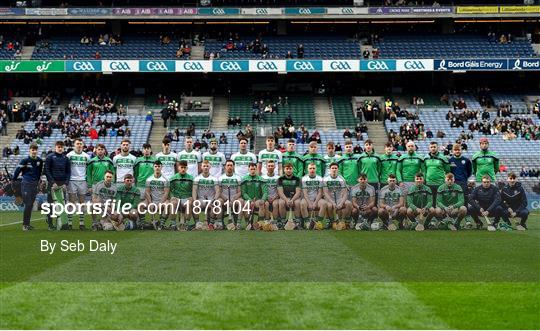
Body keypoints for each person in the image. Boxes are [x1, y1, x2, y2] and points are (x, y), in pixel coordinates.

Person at [13, 143, 44, 231]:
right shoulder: (25, 160)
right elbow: (17, 171)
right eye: (32, 150)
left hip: (34, 184)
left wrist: (38, 182)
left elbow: (39, 172)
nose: (34, 151)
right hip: (26, 184)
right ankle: (24, 225)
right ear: (29, 150)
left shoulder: (40, 160)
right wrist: (13, 180)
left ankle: (27, 224)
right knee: (28, 203)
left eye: (35, 150)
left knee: (30, 205)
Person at [44, 141, 71, 230]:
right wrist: (52, 182)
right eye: (58, 147)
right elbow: (47, 170)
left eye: (61, 147)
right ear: (55, 147)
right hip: (52, 184)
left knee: (62, 204)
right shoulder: (50, 157)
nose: (60, 149)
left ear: (63, 148)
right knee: (51, 204)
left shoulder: (66, 158)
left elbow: (68, 172)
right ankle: (50, 223)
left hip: (62, 184)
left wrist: (65, 184)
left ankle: (62, 223)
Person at [65, 138, 91, 230]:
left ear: (83, 145)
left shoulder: (86, 156)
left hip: (82, 181)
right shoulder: (69, 155)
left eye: (81, 144)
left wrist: (88, 182)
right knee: (71, 202)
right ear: (74, 145)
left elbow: (88, 169)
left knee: (82, 202)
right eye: (77, 144)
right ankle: (69, 223)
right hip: (72, 180)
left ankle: (81, 223)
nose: (79, 145)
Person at [141, 160, 170, 230]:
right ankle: (143, 224)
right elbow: (147, 192)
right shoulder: (149, 179)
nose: (157, 168)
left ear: (161, 167)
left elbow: (166, 193)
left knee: (168, 205)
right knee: (140, 206)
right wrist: (150, 203)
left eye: (159, 166)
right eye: (155, 166)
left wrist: (160, 204)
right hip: (152, 200)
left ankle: (161, 224)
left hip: (162, 201)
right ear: (153, 167)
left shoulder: (166, 180)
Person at [323, 163, 352, 230]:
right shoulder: (325, 179)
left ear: (338, 169)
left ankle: (344, 221)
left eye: (336, 168)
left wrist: (341, 203)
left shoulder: (342, 179)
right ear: (329, 169)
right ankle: (331, 221)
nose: (334, 170)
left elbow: (345, 193)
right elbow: (325, 193)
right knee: (329, 205)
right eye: (332, 168)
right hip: (329, 199)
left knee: (348, 203)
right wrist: (332, 202)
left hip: (339, 198)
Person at [192, 160, 220, 230]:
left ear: (210, 167)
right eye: (204, 166)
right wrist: (195, 200)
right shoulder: (197, 178)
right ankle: (197, 223)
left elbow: (217, 191)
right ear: (201, 167)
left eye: (207, 166)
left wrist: (214, 200)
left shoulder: (214, 178)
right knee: (194, 204)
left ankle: (211, 223)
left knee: (215, 205)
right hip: (201, 200)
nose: (206, 168)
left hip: (211, 200)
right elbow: (194, 190)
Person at [169, 161, 195, 231]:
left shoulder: (191, 178)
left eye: (184, 168)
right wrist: (173, 197)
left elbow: (193, 190)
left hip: (187, 197)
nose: (183, 169)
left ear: (187, 168)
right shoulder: (173, 178)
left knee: (189, 203)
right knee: (173, 203)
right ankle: (173, 224)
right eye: (181, 167)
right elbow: (170, 190)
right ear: (178, 168)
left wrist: (191, 198)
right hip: (176, 197)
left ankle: (187, 224)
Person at [301, 163, 326, 230]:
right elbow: (305, 193)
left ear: (316, 169)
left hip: (317, 199)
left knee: (324, 203)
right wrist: (309, 203)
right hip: (307, 198)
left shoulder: (320, 178)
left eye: (313, 168)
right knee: (302, 203)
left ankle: (318, 222)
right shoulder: (304, 178)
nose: (312, 170)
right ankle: (307, 222)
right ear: (307, 169)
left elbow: (320, 192)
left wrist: (315, 202)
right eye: (310, 168)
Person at [241, 163, 266, 230]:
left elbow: (265, 193)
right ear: (248, 169)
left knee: (261, 203)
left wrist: (262, 200)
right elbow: (244, 193)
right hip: (248, 200)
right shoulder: (244, 179)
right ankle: (248, 223)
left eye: (254, 169)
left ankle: (259, 223)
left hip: (258, 200)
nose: (253, 171)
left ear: (256, 169)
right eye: (251, 169)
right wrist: (250, 200)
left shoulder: (261, 179)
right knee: (246, 204)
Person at [219, 160, 243, 229]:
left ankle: (238, 223)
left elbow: (240, 192)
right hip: (224, 199)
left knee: (241, 201)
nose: (229, 167)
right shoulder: (221, 178)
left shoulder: (238, 178)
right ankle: (220, 222)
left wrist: (233, 200)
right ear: (225, 167)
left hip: (234, 199)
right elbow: (219, 192)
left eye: (231, 165)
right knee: (218, 201)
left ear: (234, 167)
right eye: (228, 165)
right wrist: (226, 200)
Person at [277, 163, 302, 229]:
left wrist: (292, 200)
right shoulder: (280, 179)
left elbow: (298, 192)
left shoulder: (297, 179)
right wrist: (286, 200)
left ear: (293, 170)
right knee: (281, 202)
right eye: (287, 169)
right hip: (284, 197)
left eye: (290, 169)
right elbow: (280, 192)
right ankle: (283, 221)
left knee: (297, 202)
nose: (288, 170)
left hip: (295, 197)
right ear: (284, 170)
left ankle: (297, 222)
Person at [262, 160, 282, 226]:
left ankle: (275, 222)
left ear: (275, 167)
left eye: (272, 166)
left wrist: (275, 197)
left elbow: (280, 190)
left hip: (275, 197)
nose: (270, 167)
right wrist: (266, 197)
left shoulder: (278, 178)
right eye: (269, 166)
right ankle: (267, 221)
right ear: (266, 167)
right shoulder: (262, 178)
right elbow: (261, 190)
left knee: (275, 204)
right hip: (266, 197)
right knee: (266, 204)